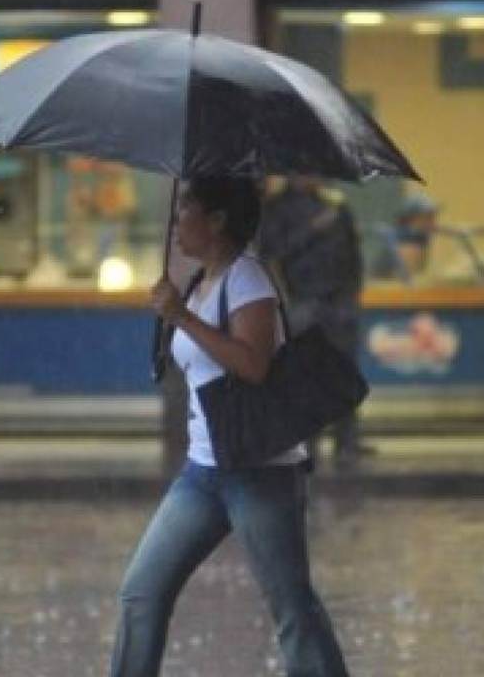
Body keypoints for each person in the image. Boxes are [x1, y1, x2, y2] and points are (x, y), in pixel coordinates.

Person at [109, 177, 349, 677]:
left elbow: (253, 364)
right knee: (141, 591)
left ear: (217, 221)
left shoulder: (247, 279)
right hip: (202, 471)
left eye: (186, 210)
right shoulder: (201, 282)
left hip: (258, 471)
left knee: (292, 609)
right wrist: (175, 314)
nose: (176, 223)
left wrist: (183, 318)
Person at [259, 176, 369, 461]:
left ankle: (347, 441)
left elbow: (353, 252)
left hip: (340, 301)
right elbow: (274, 254)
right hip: (304, 299)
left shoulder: (334, 205)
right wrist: (313, 229)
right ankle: (309, 442)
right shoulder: (277, 209)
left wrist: (353, 293)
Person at [372, 194, 439, 280]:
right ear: (410, 220)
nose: (433, 223)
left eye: (433, 218)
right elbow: (409, 281)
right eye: (428, 218)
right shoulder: (407, 245)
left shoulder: (420, 240)